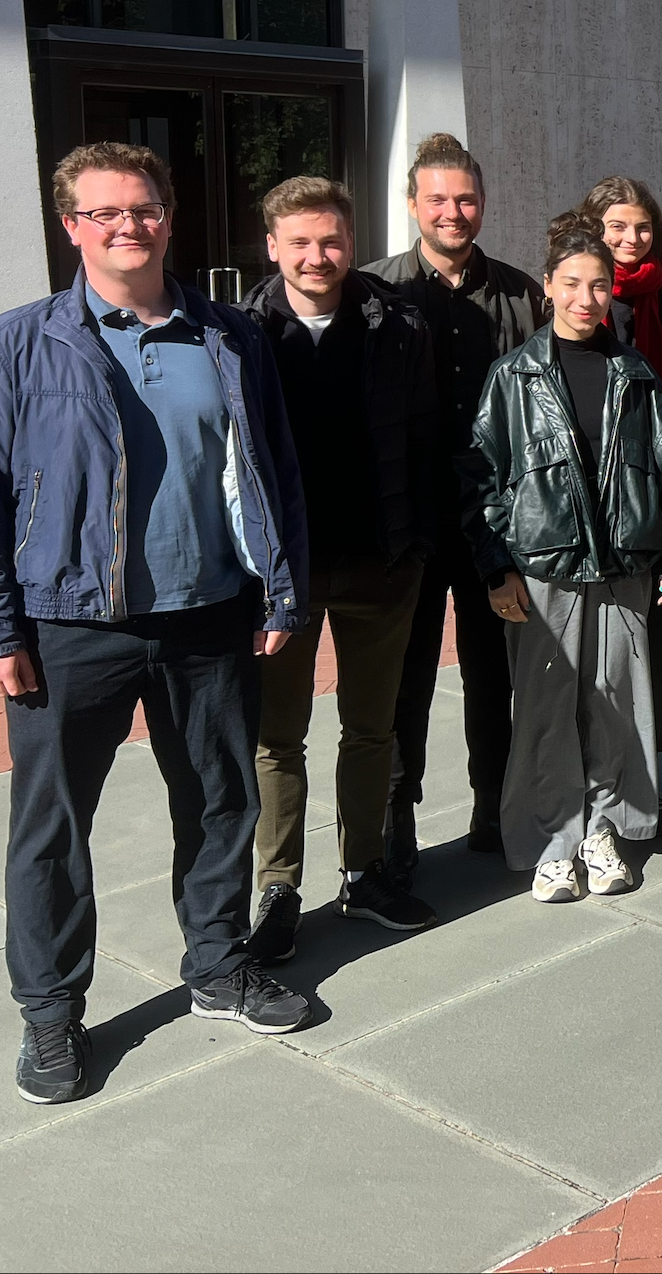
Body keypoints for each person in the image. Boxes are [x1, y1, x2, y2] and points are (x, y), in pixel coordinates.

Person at [0, 142, 313, 1105]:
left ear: (167, 217)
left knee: (223, 805)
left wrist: (280, 588)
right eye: (105, 213)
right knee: (54, 830)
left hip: (209, 618)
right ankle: (53, 1014)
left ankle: (219, 966)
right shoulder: (17, 344)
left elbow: (273, 472)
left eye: (143, 209)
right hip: (70, 627)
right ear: (71, 227)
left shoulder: (230, 338)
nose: (127, 226)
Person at [240, 177, 442, 964]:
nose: (317, 256)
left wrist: (416, 543)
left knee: (372, 730)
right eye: (300, 242)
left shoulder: (398, 323)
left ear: (350, 241)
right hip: (280, 579)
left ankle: (364, 872)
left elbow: (426, 437)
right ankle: (279, 887)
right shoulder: (240, 332)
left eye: (330, 241)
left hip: (380, 565)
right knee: (276, 739)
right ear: (271, 247)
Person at [463, 227, 662, 901]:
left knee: (616, 705)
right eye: (572, 283)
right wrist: (496, 566)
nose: (586, 298)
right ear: (548, 289)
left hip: (625, 567)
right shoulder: (512, 378)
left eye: (598, 284)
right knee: (546, 707)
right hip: (544, 570)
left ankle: (602, 829)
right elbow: (481, 478)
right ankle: (554, 841)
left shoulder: (636, 375)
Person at [369, 133, 546, 871]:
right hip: (406, 523)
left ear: (483, 203)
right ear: (413, 205)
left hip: (493, 526)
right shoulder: (373, 291)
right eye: (437, 199)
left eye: (465, 198)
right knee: (402, 683)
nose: (453, 212)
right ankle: (394, 828)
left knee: (492, 674)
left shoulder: (518, 294)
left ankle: (494, 807)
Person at [574, 174, 662, 837]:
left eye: (642, 227)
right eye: (615, 227)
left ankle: (643, 785)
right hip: (593, 513)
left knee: (654, 653)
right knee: (597, 658)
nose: (631, 239)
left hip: (661, 509)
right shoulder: (578, 310)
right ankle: (591, 793)